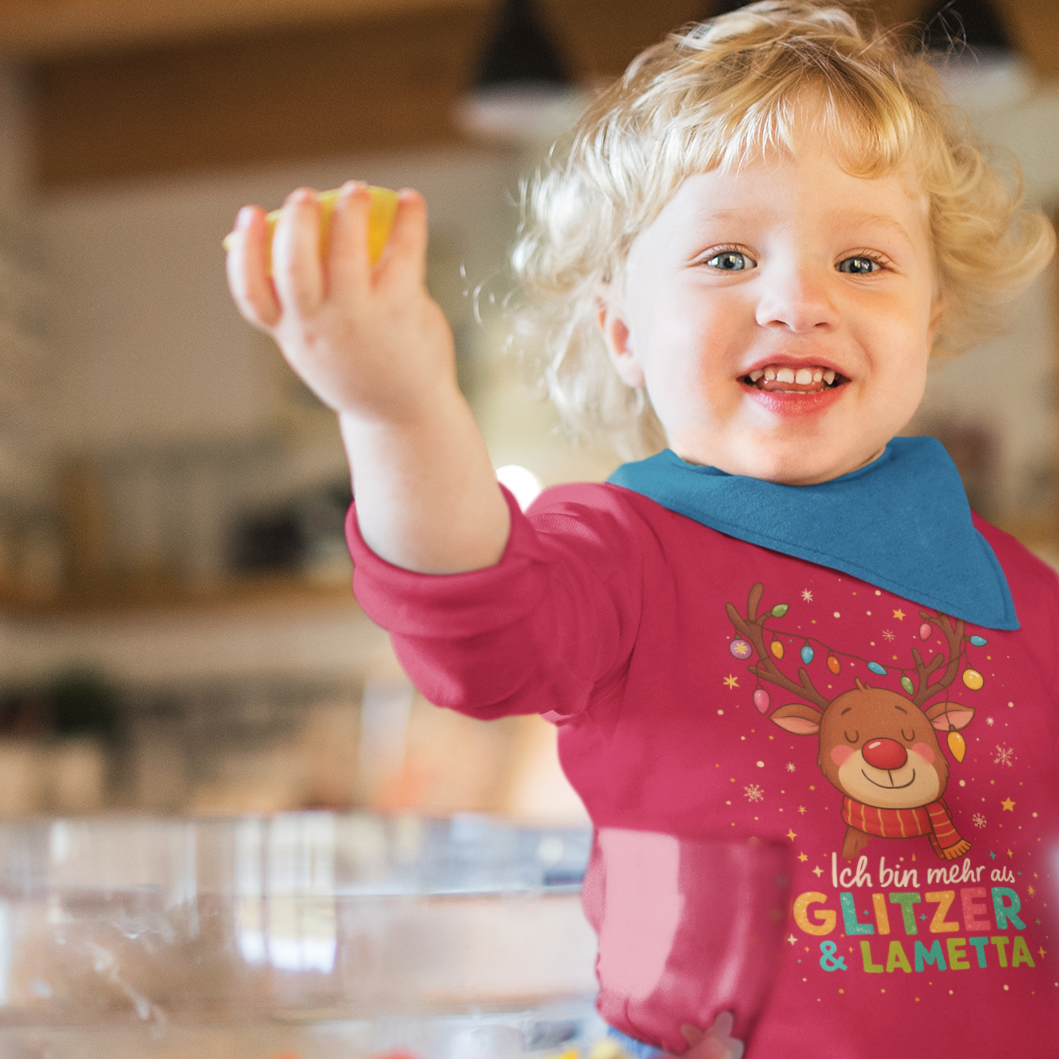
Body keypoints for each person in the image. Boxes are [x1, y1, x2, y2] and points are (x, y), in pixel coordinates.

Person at [225, 2, 1059, 1055]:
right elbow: (471, 625)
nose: (797, 299)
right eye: (724, 259)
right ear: (622, 330)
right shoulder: (620, 554)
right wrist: (397, 408)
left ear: (930, 319)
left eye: (863, 263)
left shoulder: (1024, 590)